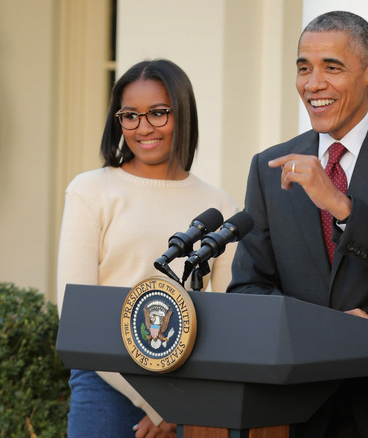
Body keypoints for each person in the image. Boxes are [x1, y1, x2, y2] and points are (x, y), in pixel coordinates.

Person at [227, 10, 368, 437]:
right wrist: (322, 332)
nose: (313, 84)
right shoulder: (269, 167)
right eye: (303, 68)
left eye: (332, 67)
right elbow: (248, 287)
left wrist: (342, 206)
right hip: (300, 409)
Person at [56, 59, 238, 438]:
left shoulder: (218, 205)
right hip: (106, 386)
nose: (143, 128)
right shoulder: (91, 191)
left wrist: (179, 407)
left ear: (182, 113)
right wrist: (156, 407)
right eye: (130, 116)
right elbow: (76, 314)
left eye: (158, 113)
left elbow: (224, 318)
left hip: (190, 392)